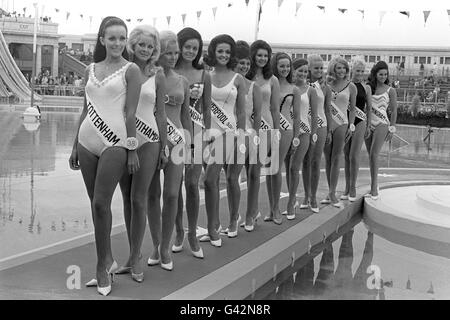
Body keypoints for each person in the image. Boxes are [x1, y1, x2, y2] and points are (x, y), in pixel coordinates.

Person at [68, 16, 141, 296]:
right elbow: (85, 110)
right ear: (102, 40)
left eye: (122, 38)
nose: (118, 43)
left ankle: (101, 266)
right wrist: (75, 144)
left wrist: (132, 149)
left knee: (101, 203)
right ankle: (107, 259)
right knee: (96, 206)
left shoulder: (131, 70)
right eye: (112, 38)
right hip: (87, 140)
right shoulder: (90, 69)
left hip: (115, 142)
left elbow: (131, 113)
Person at [115, 25, 168, 283]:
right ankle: (131, 255)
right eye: (142, 45)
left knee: (140, 199)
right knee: (126, 198)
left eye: (150, 46)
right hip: (124, 139)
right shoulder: (123, 71)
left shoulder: (157, 76)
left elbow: (160, 113)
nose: (146, 49)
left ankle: (136, 257)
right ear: (133, 45)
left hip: (150, 141)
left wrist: (165, 145)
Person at [146, 31, 192, 271]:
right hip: (152, 140)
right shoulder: (147, 78)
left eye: (176, 52)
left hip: (178, 142)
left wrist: (191, 145)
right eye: (168, 53)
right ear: (158, 53)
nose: (174, 57)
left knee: (172, 194)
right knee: (151, 195)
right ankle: (156, 245)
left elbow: (185, 116)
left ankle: (166, 245)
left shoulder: (183, 81)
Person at [202, 34, 246, 244]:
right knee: (213, 181)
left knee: (221, 179)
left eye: (227, 52)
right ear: (213, 52)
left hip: (230, 133)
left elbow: (242, 111)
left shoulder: (238, 79)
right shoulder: (205, 76)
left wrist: (243, 135)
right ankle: (215, 224)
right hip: (206, 133)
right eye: (220, 51)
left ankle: (233, 218)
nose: (223, 55)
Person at [172, 27, 211, 258]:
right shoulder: (168, 71)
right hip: (174, 133)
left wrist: (207, 137)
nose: (190, 51)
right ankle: (178, 231)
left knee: (193, 185)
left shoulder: (203, 74)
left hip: (197, 135)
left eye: (195, 48)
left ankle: (193, 234)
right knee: (175, 186)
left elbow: (207, 109)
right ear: (179, 46)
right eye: (187, 46)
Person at [246, 40, 282, 224]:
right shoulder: (244, 75)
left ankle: (265, 210)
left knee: (261, 170)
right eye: (259, 55)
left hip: (266, 128)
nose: (262, 58)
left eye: (266, 56)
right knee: (249, 172)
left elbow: (275, 109)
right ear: (252, 55)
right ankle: (252, 211)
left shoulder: (272, 79)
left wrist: (276, 132)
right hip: (247, 127)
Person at [234, 40, 262, 231]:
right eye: (240, 62)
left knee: (253, 174)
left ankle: (251, 214)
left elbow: (258, 115)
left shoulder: (253, 87)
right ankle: (233, 217)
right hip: (227, 134)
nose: (244, 66)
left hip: (250, 134)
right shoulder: (224, 84)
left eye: (247, 63)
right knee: (232, 177)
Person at [322, 57, 356, 207]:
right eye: (338, 68)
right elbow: (323, 107)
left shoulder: (351, 86)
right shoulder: (326, 85)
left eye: (344, 68)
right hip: (327, 124)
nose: (342, 71)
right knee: (327, 158)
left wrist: (352, 126)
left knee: (336, 157)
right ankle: (330, 192)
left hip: (342, 124)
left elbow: (353, 109)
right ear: (333, 69)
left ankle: (332, 193)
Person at [270, 52, 301, 220]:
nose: (285, 69)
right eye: (281, 66)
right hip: (268, 129)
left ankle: (280, 207)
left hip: (286, 130)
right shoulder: (270, 84)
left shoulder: (294, 89)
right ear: (275, 66)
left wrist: (296, 137)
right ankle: (271, 208)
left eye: (287, 66)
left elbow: (296, 116)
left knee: (276, 167)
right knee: (270, 169)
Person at [301, 54, 331, 213]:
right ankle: (306, 196)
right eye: (316, 68)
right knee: (306, 161)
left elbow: (327, 110)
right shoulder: (302, 84)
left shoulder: (325, 87)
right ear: (310, 68)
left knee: (316, 162)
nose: (319, 70)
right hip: (305, 126)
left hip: (321, 126)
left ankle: (313, 197)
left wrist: (330, 130)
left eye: (321, 68)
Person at [288, 58, 318, 215]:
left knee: (295, 167)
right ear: (294, 70)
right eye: (300, 70)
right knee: (288, 168)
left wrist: (314, 134)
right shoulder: (288, 87)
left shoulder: (311, 91)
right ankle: (291, 200)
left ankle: (298, 199)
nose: (303, 74)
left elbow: (314, 115)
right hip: (287, 131)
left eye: (306, 71)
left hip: (304, 132)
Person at [365, 61, 398, 199]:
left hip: (382, 124)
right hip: (368, 124)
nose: (383, 76)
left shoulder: (391, 90)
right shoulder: (368, 88)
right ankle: (374, 184)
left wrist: (392, 128)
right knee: (370, 156)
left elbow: (394, 110)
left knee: (374, 154)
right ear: (375, 74)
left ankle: (374, 188)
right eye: (380, 74)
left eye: (385, 74)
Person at [341, 59, 372, 202]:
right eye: (357, 70)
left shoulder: (366, 88)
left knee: (354, 155)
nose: (359, 73)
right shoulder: (346, 85)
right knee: (346, 155)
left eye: (362, 71)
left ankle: (353, 187)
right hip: (345, 121)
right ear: (352, 70)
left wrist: (369, 124)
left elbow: (369, 108)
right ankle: (347, 187)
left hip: (360, 122)